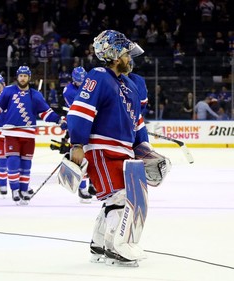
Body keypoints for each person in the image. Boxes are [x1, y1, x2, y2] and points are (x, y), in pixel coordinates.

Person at [66, 30, 171, 266]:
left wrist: (144, 149)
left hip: (123, 151)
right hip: (101, 148)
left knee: (116, 197)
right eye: (126, 54)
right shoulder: (98, 76)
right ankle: (116, 246)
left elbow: (137, 122)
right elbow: (80, 110)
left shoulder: (130, 86)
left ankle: (99, 243)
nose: (129, 59)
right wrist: (78, 144)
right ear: (114, 55)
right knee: (121, 197)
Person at [0, 66, 67, 205]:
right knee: (13, 161)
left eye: (25, 76)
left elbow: (46, 113)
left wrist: (59, 120)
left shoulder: (35, 95)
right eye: (21, 76)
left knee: (26, 164)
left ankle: (24, 190)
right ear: (17, 77)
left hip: (28, 134)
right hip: (11, 133)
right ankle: (15, 189)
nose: (23, 78)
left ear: (29, 77)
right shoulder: (8, 91)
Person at [62, 66, 93, 202]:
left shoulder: (89, 85)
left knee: (93, 156)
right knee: (80, 158)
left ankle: (94, 184)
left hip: (91, 124)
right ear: (74, 80)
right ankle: (82, 188)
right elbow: (79, 109)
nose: (82, 84)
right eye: (79, 82)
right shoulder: (69, 91)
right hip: (78, 124)